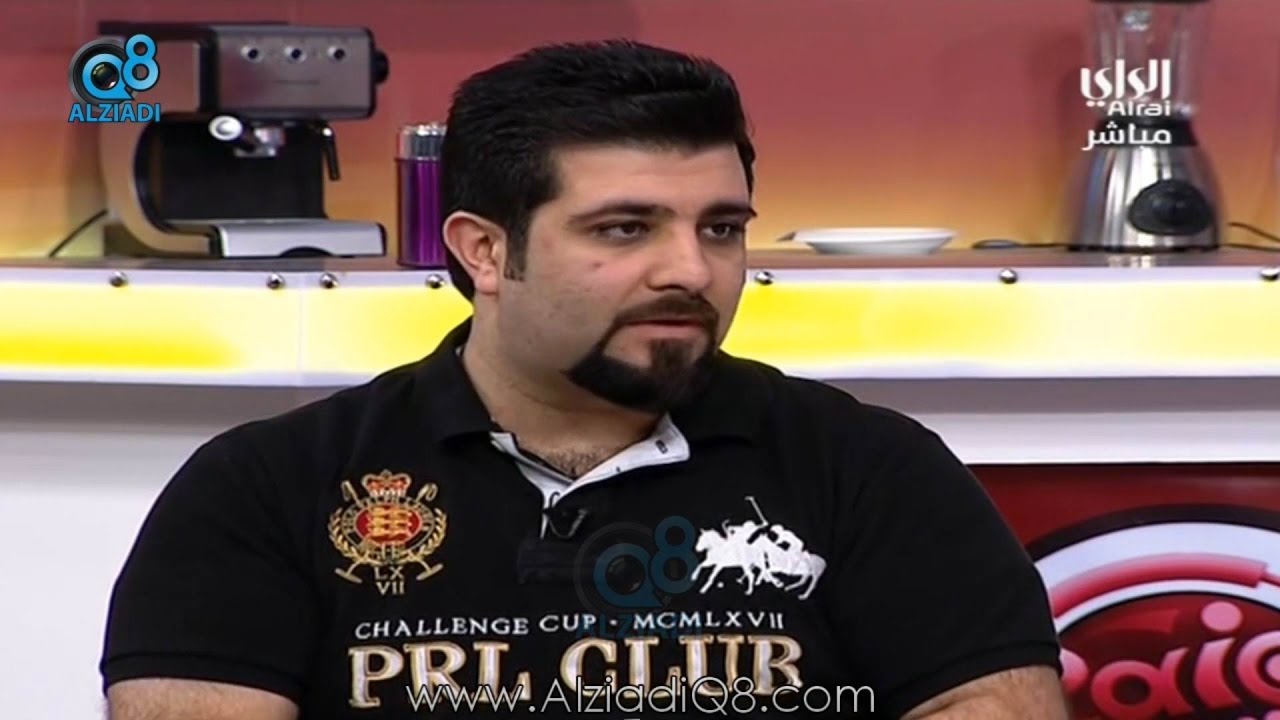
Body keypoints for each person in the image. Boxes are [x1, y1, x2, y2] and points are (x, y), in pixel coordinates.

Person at [99, 40, 1071, 719]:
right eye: (625, 228)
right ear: (484, 251)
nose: (690, 270)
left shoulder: (871, 470)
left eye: (720, 228)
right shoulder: (267, 488)